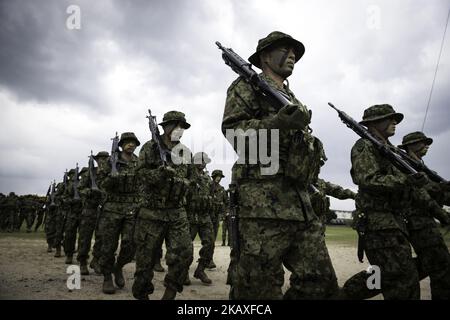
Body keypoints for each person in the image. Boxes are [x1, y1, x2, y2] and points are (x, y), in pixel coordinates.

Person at [221, 31, 339, 299]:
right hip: (262, 206)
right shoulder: (246, 86)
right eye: (284, 50)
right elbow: (234, 133)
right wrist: (278, 123)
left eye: (294, 52)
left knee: (321, 283)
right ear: (264, 57)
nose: (292, 56)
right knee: (256, 289)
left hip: (300, 203)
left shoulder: (291, 97)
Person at [344, 104, 423, 300]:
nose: (394, 122)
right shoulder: (365, 146)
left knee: (398, 276)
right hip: (379, 224)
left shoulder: (391, 150)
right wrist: (406, 180)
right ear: (372, 123)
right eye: (389, 118)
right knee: (399, 280)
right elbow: (367, 179)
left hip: (394, 222)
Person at [132, 111, 193, 300]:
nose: (179, 130)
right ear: (166, 127)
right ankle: (142, 294)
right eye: (176, 125)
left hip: (177, 212)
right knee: (145, 259)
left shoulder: (185, 152)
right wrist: (159, 173)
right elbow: (139, 174)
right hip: (151, 212)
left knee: (184, 253)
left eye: (182, 127)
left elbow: (192, 178)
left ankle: (170, 292)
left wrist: (185, 184)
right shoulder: (150, 148)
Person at [98, 133, 140, 294]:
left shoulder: (138, 162)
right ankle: (107, 277)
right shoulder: (111, 161)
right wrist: (111, 179)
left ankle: (118, 267)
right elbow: (101, 184)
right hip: (112, 209)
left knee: (130, 244)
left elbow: (143, 183)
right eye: (127, 142)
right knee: (108, 245)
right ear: (121, 144)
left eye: (133, 142)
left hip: (131, 208)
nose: (131, 145)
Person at [185, 152, 214, 284]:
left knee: (210, 244)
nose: (203, 163)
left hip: (204, 216)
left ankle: (200, 270)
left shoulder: (207, 178)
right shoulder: (188, 175)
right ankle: (183, 272)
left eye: (205, 161)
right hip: (190, 215)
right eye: (200, 160)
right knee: (186, 247)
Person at [209, 169, 228, 266]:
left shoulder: (222, 189)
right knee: (208, 239)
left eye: (220, 177)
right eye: (217, 176)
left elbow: (226, 202)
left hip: (216, 217)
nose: (218, 178)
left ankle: (209, 259)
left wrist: (225, 213)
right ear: (213, 176)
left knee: (212, 239)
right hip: (207, 216)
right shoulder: (208, 186)